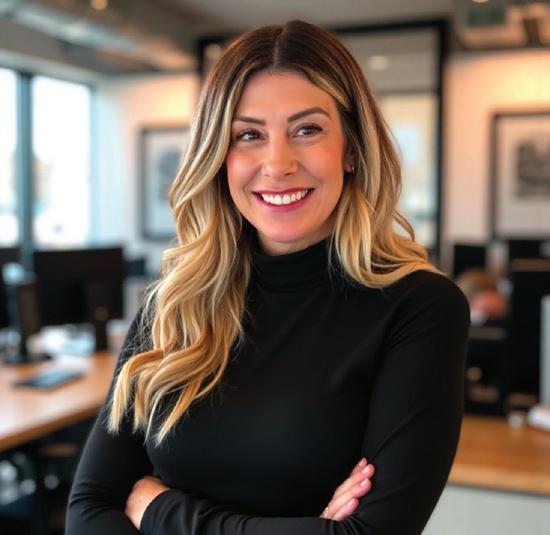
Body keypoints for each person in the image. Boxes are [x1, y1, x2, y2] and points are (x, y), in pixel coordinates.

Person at [66, 20, 470, 535]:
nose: (277, 164)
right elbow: (88, 511)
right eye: (248, 135)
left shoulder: (421, 307)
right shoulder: (175, 302)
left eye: (307, 130)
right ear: (218, 156)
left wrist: (158, 511)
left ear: (351, 148)